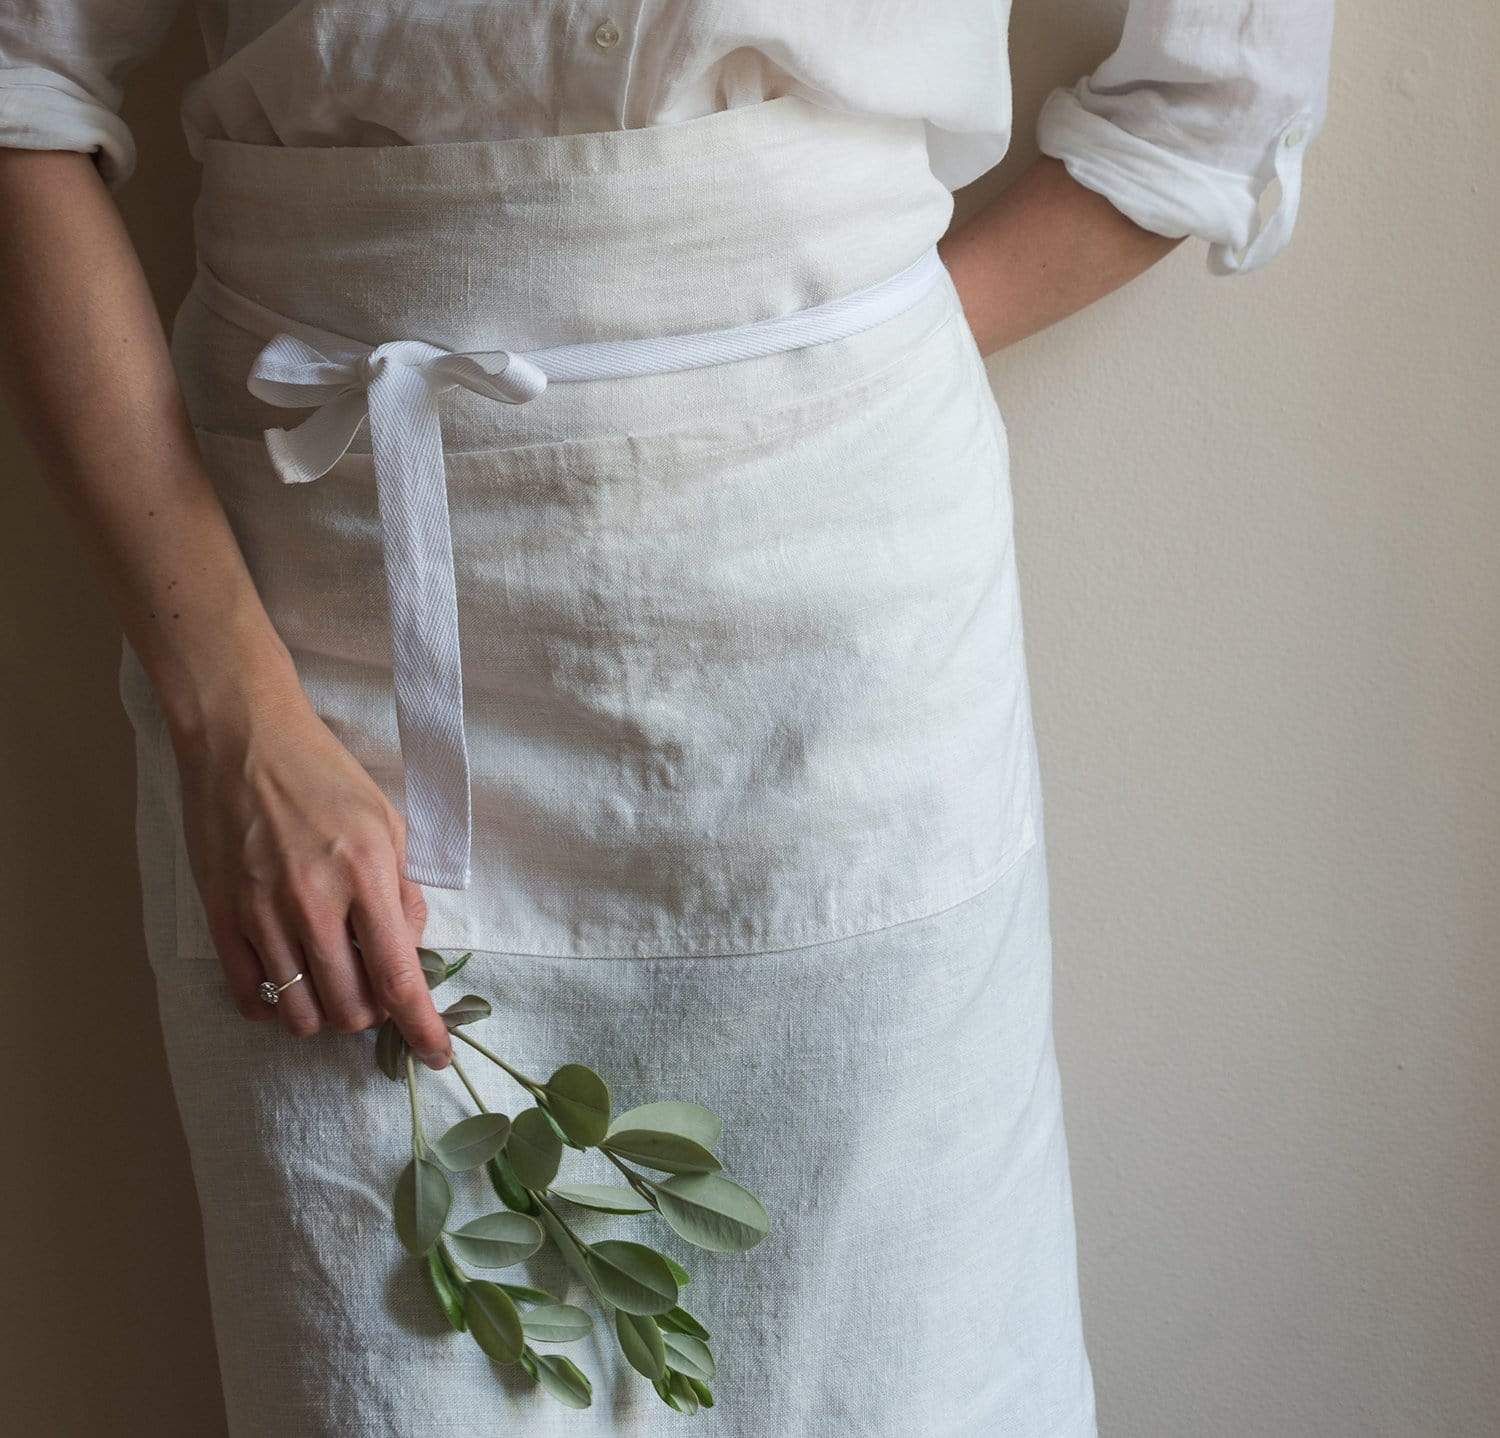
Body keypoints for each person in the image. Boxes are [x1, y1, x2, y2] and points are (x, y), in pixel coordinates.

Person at [0, 4, 1334, 1435]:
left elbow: (1222, 89)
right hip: (317, 658)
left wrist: (800, 355)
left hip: (834, 649)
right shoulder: (259, 718)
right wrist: (230, 719)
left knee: (897, 1376)